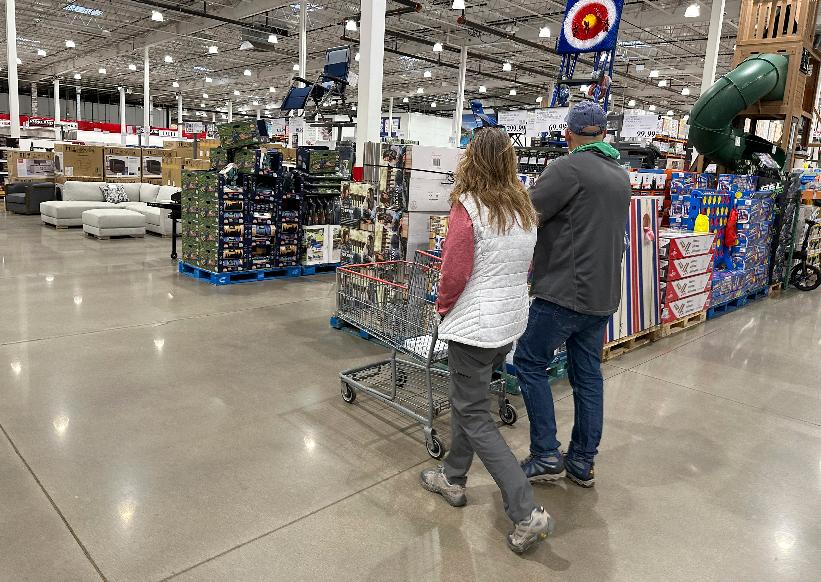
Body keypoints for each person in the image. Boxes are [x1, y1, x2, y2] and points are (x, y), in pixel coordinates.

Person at [419, 127, 554, 554]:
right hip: (508, 324)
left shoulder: (469, 207)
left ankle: (525, 510)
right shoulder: (523, 208)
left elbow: (454, 272)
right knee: (470, 403)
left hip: (474, 327)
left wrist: (442, 309)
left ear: (471, 160)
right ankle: (453, 478)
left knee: (474, 415)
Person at [514, 101, 631, 488]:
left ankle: (546, 453)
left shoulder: (567, 168)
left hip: (564, 293)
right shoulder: (619, 174)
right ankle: (582, 461)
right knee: (588, 377)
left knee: (530, 361)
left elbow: (528, 213)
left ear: (568, 134)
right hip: (602, 296)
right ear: (604, 133)